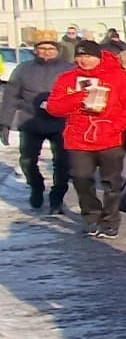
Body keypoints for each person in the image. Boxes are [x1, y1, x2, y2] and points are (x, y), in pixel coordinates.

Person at [43, 41, 126, 238]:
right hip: (78, 139)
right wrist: (79, 97)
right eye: (80, 56)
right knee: (81, 179)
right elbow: (54, 108)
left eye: (88, 56)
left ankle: (110, 221)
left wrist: (114, 127)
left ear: (98, 57)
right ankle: (91, 217)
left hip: (110, 138)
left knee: (111, 183)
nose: (84, 60)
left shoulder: (117, 77)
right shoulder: (67, 79)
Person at [4, 40, 72, 214]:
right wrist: (5, 122)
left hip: (61, 122)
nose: (46, 52)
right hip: (31, 121)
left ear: (58, 51)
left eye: (50, 49)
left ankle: (57, 197)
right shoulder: (23, 69)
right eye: (42, 48)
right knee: (27, 161)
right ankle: (36, 186)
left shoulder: (69, 69)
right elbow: (11, 96)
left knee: (62, 163)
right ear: (35, 51)